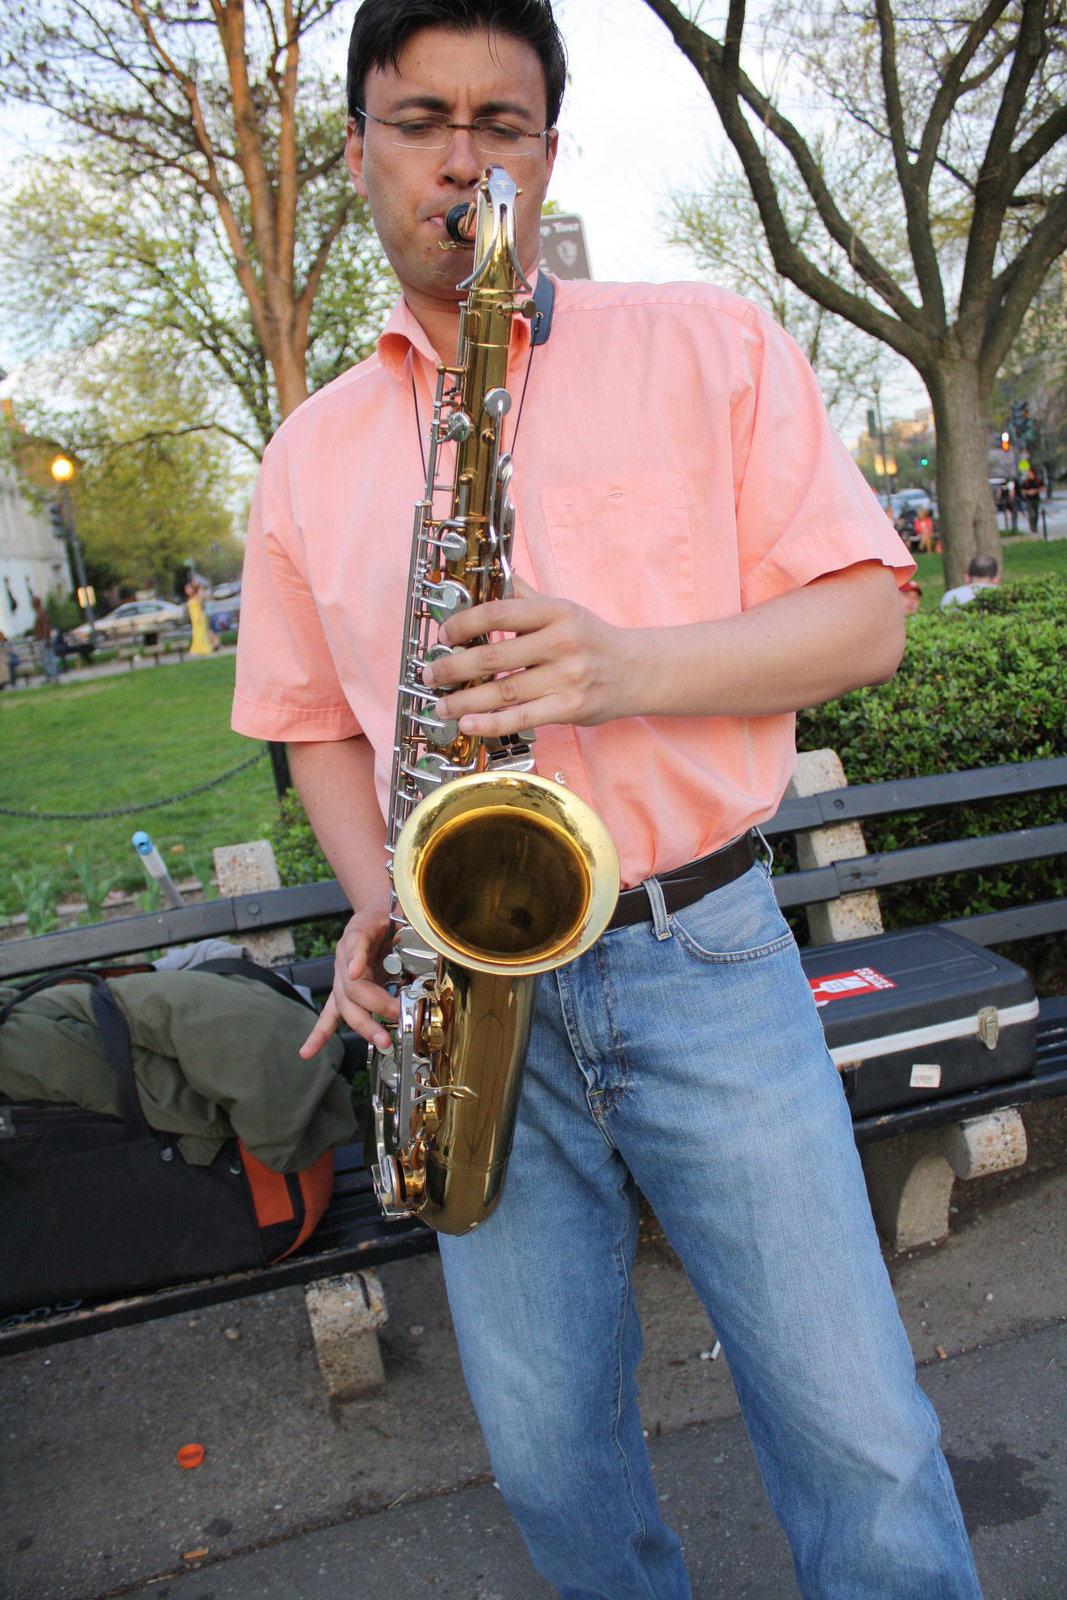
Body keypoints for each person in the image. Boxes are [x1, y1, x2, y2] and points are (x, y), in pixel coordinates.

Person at [233, 4, 981, 1595]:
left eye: (498, 123)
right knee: (550, 1460)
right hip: (465, 985)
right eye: (420, 119)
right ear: (358, 148)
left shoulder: (703, 343)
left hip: (698, 953)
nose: (458, 157)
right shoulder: (303, 460)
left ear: (546, 153)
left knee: (857, 1435)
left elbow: (865, 615)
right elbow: (312, 728)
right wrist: (379, 891)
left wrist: (620, 664)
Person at [31, 595, 59, 684]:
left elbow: (46, 625)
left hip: (44, 639)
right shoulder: (37, 613)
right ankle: (48, 677)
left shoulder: (42, 612)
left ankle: (53, 677)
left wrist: (47, 639)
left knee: (48, 659)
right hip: (40, 639)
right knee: (43, 660)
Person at [185, 579, 218, 656]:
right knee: (196, 633)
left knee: (201, 632)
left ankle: (204, 647)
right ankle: (198, 648)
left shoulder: (197, 596)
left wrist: (199, 617)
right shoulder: (191, 598)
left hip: (198, 616)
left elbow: (200, 607)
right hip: (194, 617)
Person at [1019, 459, 1044, 533]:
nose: (1028, 474)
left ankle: (1035, 526)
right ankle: (1032, 526)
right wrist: (1028, 492)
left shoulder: (1037, 481)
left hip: (1036, 498)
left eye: (1029, 472)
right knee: (1031, 513)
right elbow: (1023, 490)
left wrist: (1035, 491)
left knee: (1035, 513)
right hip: (1029, 499)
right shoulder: (1026, 482)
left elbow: (1042, 488)